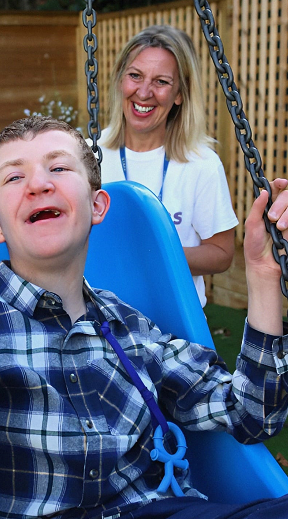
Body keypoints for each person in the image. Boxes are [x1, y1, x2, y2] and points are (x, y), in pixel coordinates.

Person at [0, 116, 288, 519]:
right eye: (14, 176)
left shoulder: (127, 325)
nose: (38, 184)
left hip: (169, 518)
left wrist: (262, 274)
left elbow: (255, 413)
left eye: (58, 168)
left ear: (97, 206)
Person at [98, 25, 238, 307]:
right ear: (120, 80)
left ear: (179, 94)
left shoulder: (201, 163)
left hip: (176, 323)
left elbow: (222, 254)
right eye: (135, 76)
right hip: (102, 316)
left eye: (161, 81)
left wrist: (153, 254)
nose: (144, 92)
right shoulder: (89, 154)